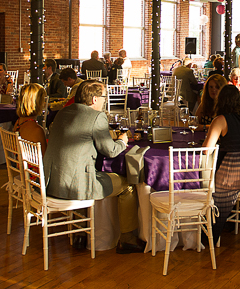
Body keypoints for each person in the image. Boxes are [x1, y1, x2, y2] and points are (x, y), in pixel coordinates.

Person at [43, 80, 143, 254]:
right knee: (127, 185)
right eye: (104, 97)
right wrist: (122, 140)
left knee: (80, 172)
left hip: (52, 182)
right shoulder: (96, 116)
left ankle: (80, 233)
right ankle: (127, 239)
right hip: (78, 186)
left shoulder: (62, 113)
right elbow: (110, 151)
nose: (105, 100)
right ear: (95, 99)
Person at [203, 84, 240, 241]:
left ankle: (209, 231)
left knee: (207, 184)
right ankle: (231, 222)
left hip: (234, 175)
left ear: (220, 101)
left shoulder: (221, 120)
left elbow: (206, 150)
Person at [13, 83, 48, 153]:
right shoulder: (37, 130)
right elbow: (45, 158)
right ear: (37, 103)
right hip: (33, 163)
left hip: (21, 162)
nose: (45, 103)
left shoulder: (18, 122)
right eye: (43, 100)